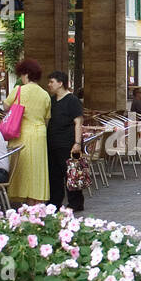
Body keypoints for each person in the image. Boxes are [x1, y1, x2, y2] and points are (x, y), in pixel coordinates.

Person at [2, 58, 51, 204]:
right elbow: (46, 118)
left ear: (26, 74)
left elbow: (5, 107)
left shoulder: (18, 90)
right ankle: (37, 200)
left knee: (21, 166)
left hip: (21, 133)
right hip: (39, 134)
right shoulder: (45, 94)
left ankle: (22, 197)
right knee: (37, 169)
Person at [46, 71, 85, 212]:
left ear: (60, 83)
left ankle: (76, 203)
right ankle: (54, 202)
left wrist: (77, 143)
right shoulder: (52, 100)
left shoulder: (72, 100)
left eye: (52, 82)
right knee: (54, 174)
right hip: (53, 143)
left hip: (67, 143)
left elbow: (78, 122)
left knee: (71, 173)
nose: (49, 85)